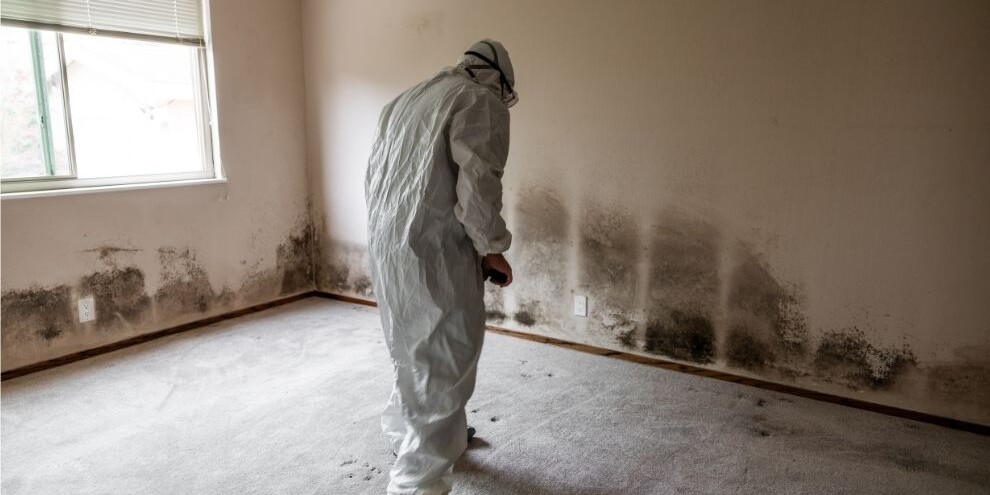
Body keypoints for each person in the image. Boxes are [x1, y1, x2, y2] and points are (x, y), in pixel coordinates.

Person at [364, 39, 518, 495]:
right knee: (447, 358)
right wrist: (492, 248)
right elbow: (478, 184)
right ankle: (418, 483)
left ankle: (413, 433)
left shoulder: (404, 100)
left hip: (390, 245)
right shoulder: (479, 101)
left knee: (411, 347)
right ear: (499, 77)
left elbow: (376, 174)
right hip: (437, 251)